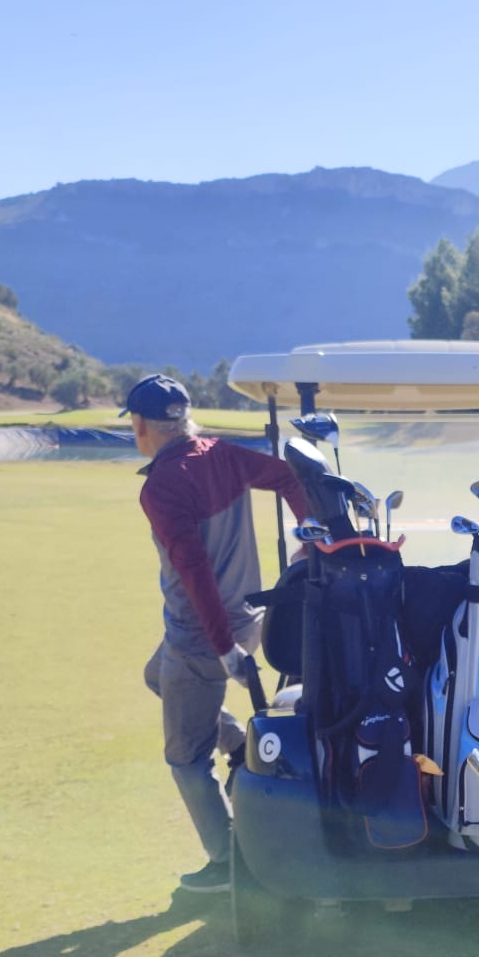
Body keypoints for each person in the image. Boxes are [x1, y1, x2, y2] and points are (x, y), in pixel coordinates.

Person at [126, 374, 308, 892]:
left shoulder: (161, 486)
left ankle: (228, 863)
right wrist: (309, 536)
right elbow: (290, 478)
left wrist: (222, 647)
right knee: (155, 677)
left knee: (185, 758)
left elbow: (194, 568)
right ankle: (238, 740)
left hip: (201, 636)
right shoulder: (221, 454)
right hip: (244, 622)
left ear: (139, 425)